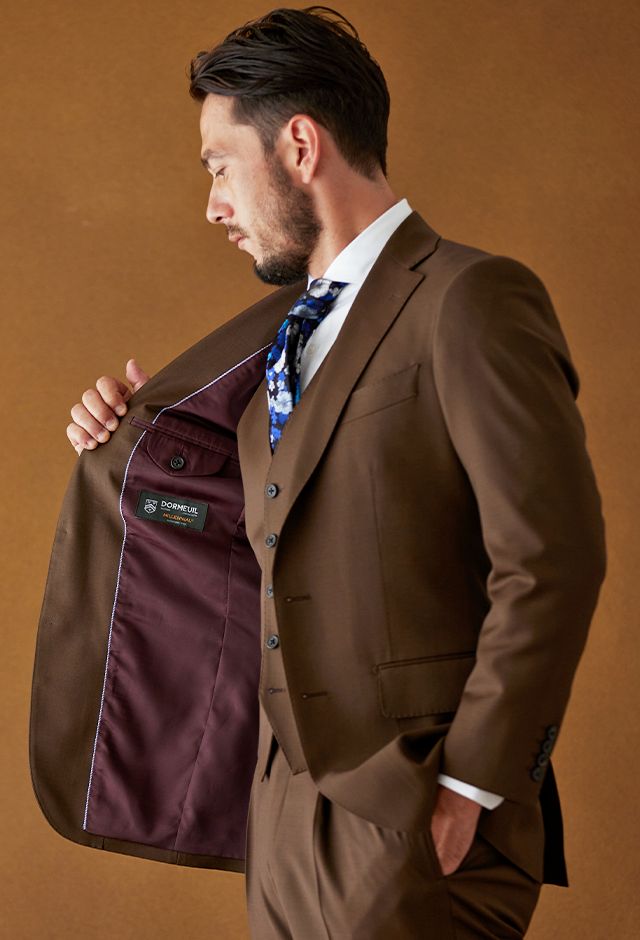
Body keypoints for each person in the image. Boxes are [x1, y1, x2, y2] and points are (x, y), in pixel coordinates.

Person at [60, 6, 606, 938]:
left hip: (415, 819)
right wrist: (131, 437)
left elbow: (551, 560)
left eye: (220, 165)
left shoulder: (469, 300)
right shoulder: (278, 346)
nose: (213, 205)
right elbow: (278, 533)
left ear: (300, 146)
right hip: (281, 826)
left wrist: (470, 787)